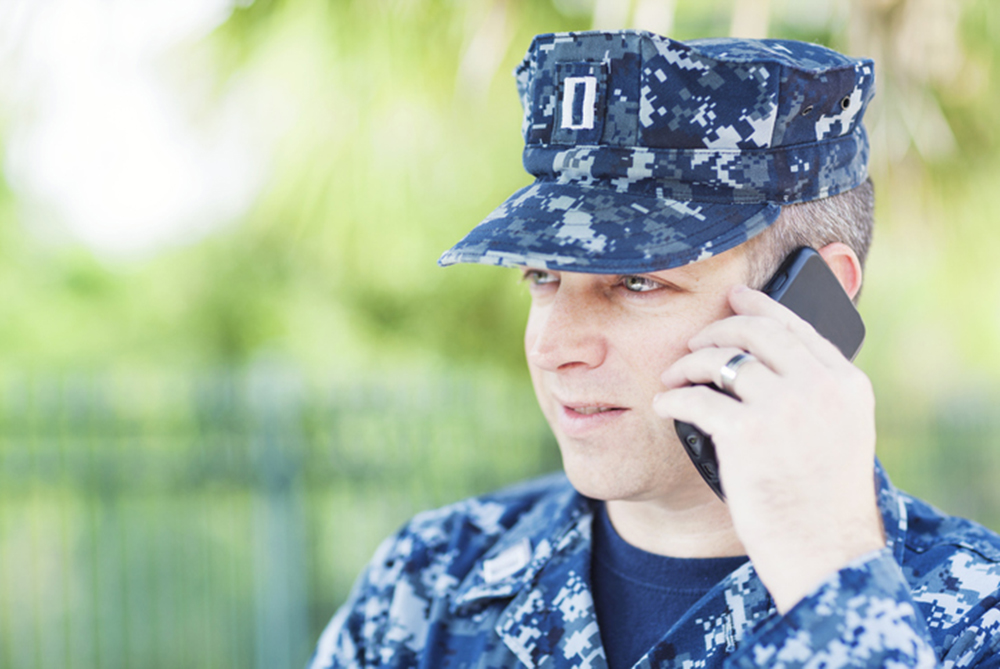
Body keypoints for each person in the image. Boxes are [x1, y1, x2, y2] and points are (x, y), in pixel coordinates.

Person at [309, 31, 1000, 668]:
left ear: (817, 302)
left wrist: (836, 585)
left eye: (638, 281)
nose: (553, 346)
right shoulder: (427, 585)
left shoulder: (974, 620)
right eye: (543, 276)